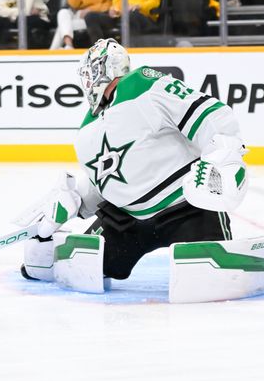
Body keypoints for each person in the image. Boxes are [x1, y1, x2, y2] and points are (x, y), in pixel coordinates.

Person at [19, 38, 246, 286]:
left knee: (212, 276)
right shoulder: (88, 130)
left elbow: (211, 115)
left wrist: (222, 156)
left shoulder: (144, 85)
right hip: (124, 220)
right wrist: (76, 199)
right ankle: (49, 254)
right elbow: (110, 180)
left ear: (101, 70)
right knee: (75, 270)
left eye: (89, 74)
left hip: (185, 207)